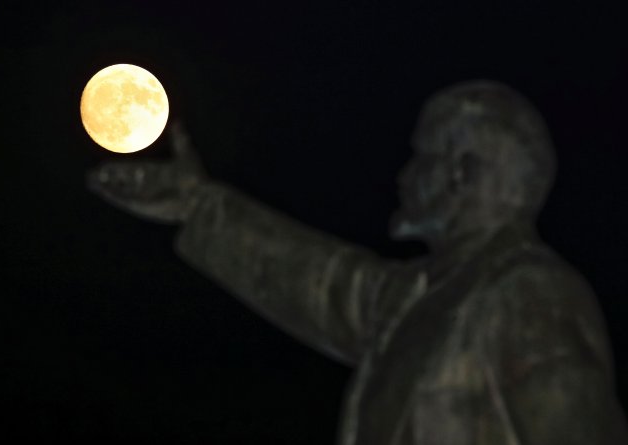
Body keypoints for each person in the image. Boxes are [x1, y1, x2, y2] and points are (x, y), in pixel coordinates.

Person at [88, 80, 628, 444]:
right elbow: (326, 283)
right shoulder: (427, 294)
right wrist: (199, 205)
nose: (402, 177)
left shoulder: (529, 294)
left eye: (420, 158)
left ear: (462, 172)